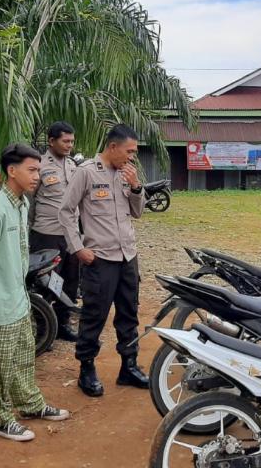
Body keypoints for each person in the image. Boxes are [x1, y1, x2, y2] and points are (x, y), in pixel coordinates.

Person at [0, 143, 69, 442]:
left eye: (39, 170)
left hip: (18, 299)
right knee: (0, 368)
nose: (37, 176)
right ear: (12, 171)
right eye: (32, 170)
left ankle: (30, 404)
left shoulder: (20, 205)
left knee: (23, 358)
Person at [58, 124, 149, 397]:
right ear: (113, 147)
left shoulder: (127, 174)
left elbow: (139, 212)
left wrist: (136, 187)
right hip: (100, 259)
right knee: (94, 315)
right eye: (129, 151)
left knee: (129, 313)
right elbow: (66, 211)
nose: (132, 157)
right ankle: (86, 369)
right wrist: (77, 248)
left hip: (127, 256)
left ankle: (128, 366)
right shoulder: (86, 172)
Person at [29, 121, 79, 342]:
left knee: (69, 280)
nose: (69, 145)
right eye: (65, 141)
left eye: (72, 141)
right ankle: (44, 329)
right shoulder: (38, 165)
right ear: (51, 141)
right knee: (46, 281)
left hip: (71, 235)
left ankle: (63, 324)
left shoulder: (72, 166)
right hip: (46, 233)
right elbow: (29, 201)